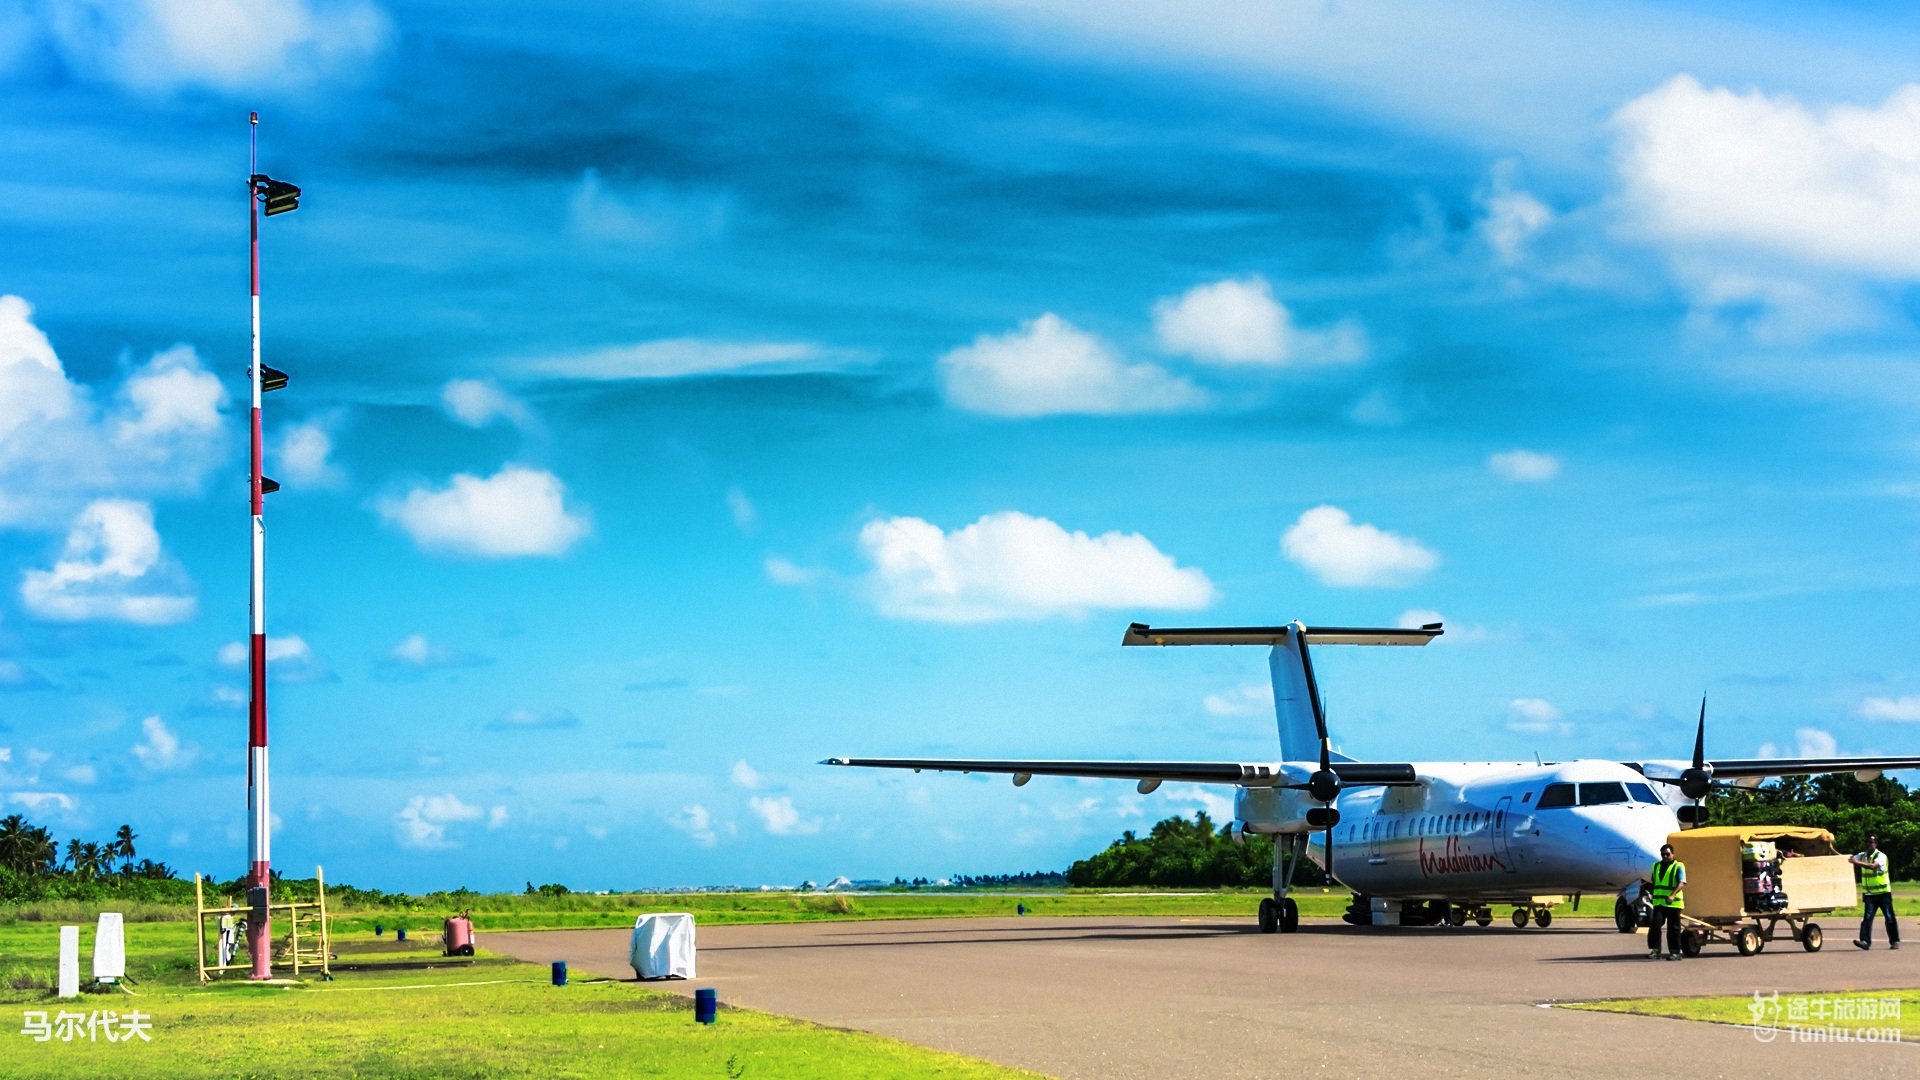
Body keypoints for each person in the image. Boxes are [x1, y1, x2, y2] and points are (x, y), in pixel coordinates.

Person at [1851, 834, 1899, 950]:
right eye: (1866, 842)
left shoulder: (1881, 856)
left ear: (1876, 844)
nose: (1868, 845)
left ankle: (1894, 941)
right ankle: (1865, 941)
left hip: (1883, 893)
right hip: (1870, 894)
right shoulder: (1862, 856)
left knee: (1889, 917)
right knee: (1867, 918)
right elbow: (1850, 858)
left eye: (1871, 842)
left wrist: (1856, 863)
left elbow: (1873, 866)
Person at [1648, 843, 1687, 960]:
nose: (1665, 856)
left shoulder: (1678, 866)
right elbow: (1654, 881)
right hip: (1659, 902)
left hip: (1673, 903)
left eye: (1667, 854)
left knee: (1673, 928)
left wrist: (1672, 895)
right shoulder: (1656, 866)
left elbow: (1682, 882)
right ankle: (1656, 950)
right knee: (1655, 925)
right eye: (1663, 854)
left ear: (1673, 854)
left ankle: (1675, 952)